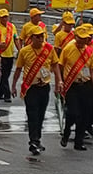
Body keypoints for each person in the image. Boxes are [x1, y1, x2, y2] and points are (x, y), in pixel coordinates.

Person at [11, 25, 62, 156]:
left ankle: (37, 139)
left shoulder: (49, 49)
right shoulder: (24, 51)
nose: (40, 39)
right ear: (31, 38)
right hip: (31, 88)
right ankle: (33, 140)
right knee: (32, 114)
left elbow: (55, 65)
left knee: (40, 115)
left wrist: (58, 82)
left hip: (44, 87)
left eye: (42, 36)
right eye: (37, 37)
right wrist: (13, 85)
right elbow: (18, 69)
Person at [58, 25, 93, 151]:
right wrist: (60, 81)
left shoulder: (89, 51)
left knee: (85, 114)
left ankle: (79, 142)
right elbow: (60, 66)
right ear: (75, 37)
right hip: (72, 85)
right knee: (73, 112)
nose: (83, 41)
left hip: (86, 85)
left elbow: (91, 69)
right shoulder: (68, 48)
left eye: (85, 39)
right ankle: (66, 132)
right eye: (80, 38)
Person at [0, 8, 19, 103]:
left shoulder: (12, 26)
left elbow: (16, 38)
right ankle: (7, 94)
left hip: (10, 54)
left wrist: (20, 49)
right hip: (1, 55)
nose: (5, 19)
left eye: (6, 17)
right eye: (3, 17)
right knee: (4, 75)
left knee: (6, 75)